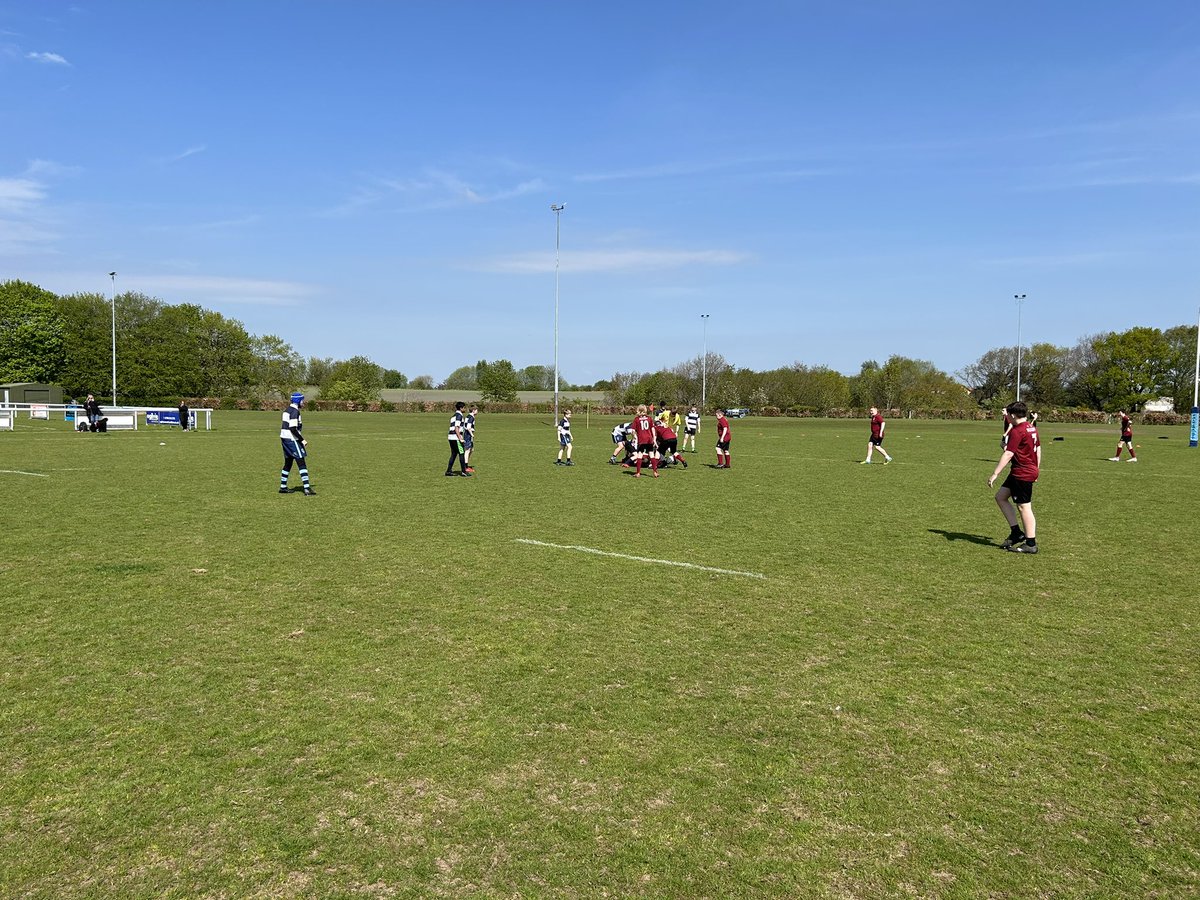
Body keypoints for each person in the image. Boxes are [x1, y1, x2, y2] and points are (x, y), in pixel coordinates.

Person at [987, 401, 1040, 553]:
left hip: (1022, 472)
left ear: (1012, 415)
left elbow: (1009, 453)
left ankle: (1030, 544)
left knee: (1024, 507)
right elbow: (1038, 449)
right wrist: (1036, 469)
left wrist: (995, 473)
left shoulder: (1018, 430)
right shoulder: (1031, 428)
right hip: (1023, 470)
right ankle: (1016, 532)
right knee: (1001, 497)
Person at [279, 392, 315, 495]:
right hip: (292, 439)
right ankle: (307, 488)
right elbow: (293, 429)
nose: (303, 402)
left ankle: (283, 487)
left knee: (288, 462)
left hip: (284, 439)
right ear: (298, 401)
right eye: (302, 400)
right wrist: (302, 440)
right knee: (301, 462)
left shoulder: (287, 410)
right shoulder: (295, 412)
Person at [630, 404, 659, 478]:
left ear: (638, 410)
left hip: (642, 439)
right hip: (649, 438)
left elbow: (632, 430)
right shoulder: (649, 418)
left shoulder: (636, 419)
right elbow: (652, 429)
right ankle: (655, 472)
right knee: (651, 454)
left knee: (640, 455)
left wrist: (634, 437)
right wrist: (654, 438)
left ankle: (638, 473)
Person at [445, 401, 472, 476]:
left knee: (453, 454)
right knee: (461, 453)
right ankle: (464, 471)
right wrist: (460, 438)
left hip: (450, 437)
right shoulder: (459, 416)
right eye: (464, 408)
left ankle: (448, 471)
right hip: (455, 437)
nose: (465, 409)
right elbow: (456, 427)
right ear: (461, 408)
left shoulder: (454, 415)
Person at [463, 405, 478, 472]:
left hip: (467, 434)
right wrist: (471, 434)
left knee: (471, 450)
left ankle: (466, 464)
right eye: (477, 410)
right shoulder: (471, 417)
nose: (477, 411)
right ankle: (465, 466)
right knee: (467, 450)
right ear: (473, 410)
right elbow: (468, 427)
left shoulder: (468, 416)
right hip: (468, 435)